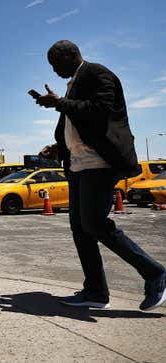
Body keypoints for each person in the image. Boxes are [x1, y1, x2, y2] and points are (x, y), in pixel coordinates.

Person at [35, 40, 165, 311]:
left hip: (100, 163)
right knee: (80, 229)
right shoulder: (74, 82)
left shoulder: (97, 73)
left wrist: (60, 103)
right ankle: (95, 291)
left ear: (72, 55)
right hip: (78, 165)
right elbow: (79, 126)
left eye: (56, 64)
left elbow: (101, 111)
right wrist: (60, 147)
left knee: (94, 224)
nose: (55, 70)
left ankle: (155, 274)